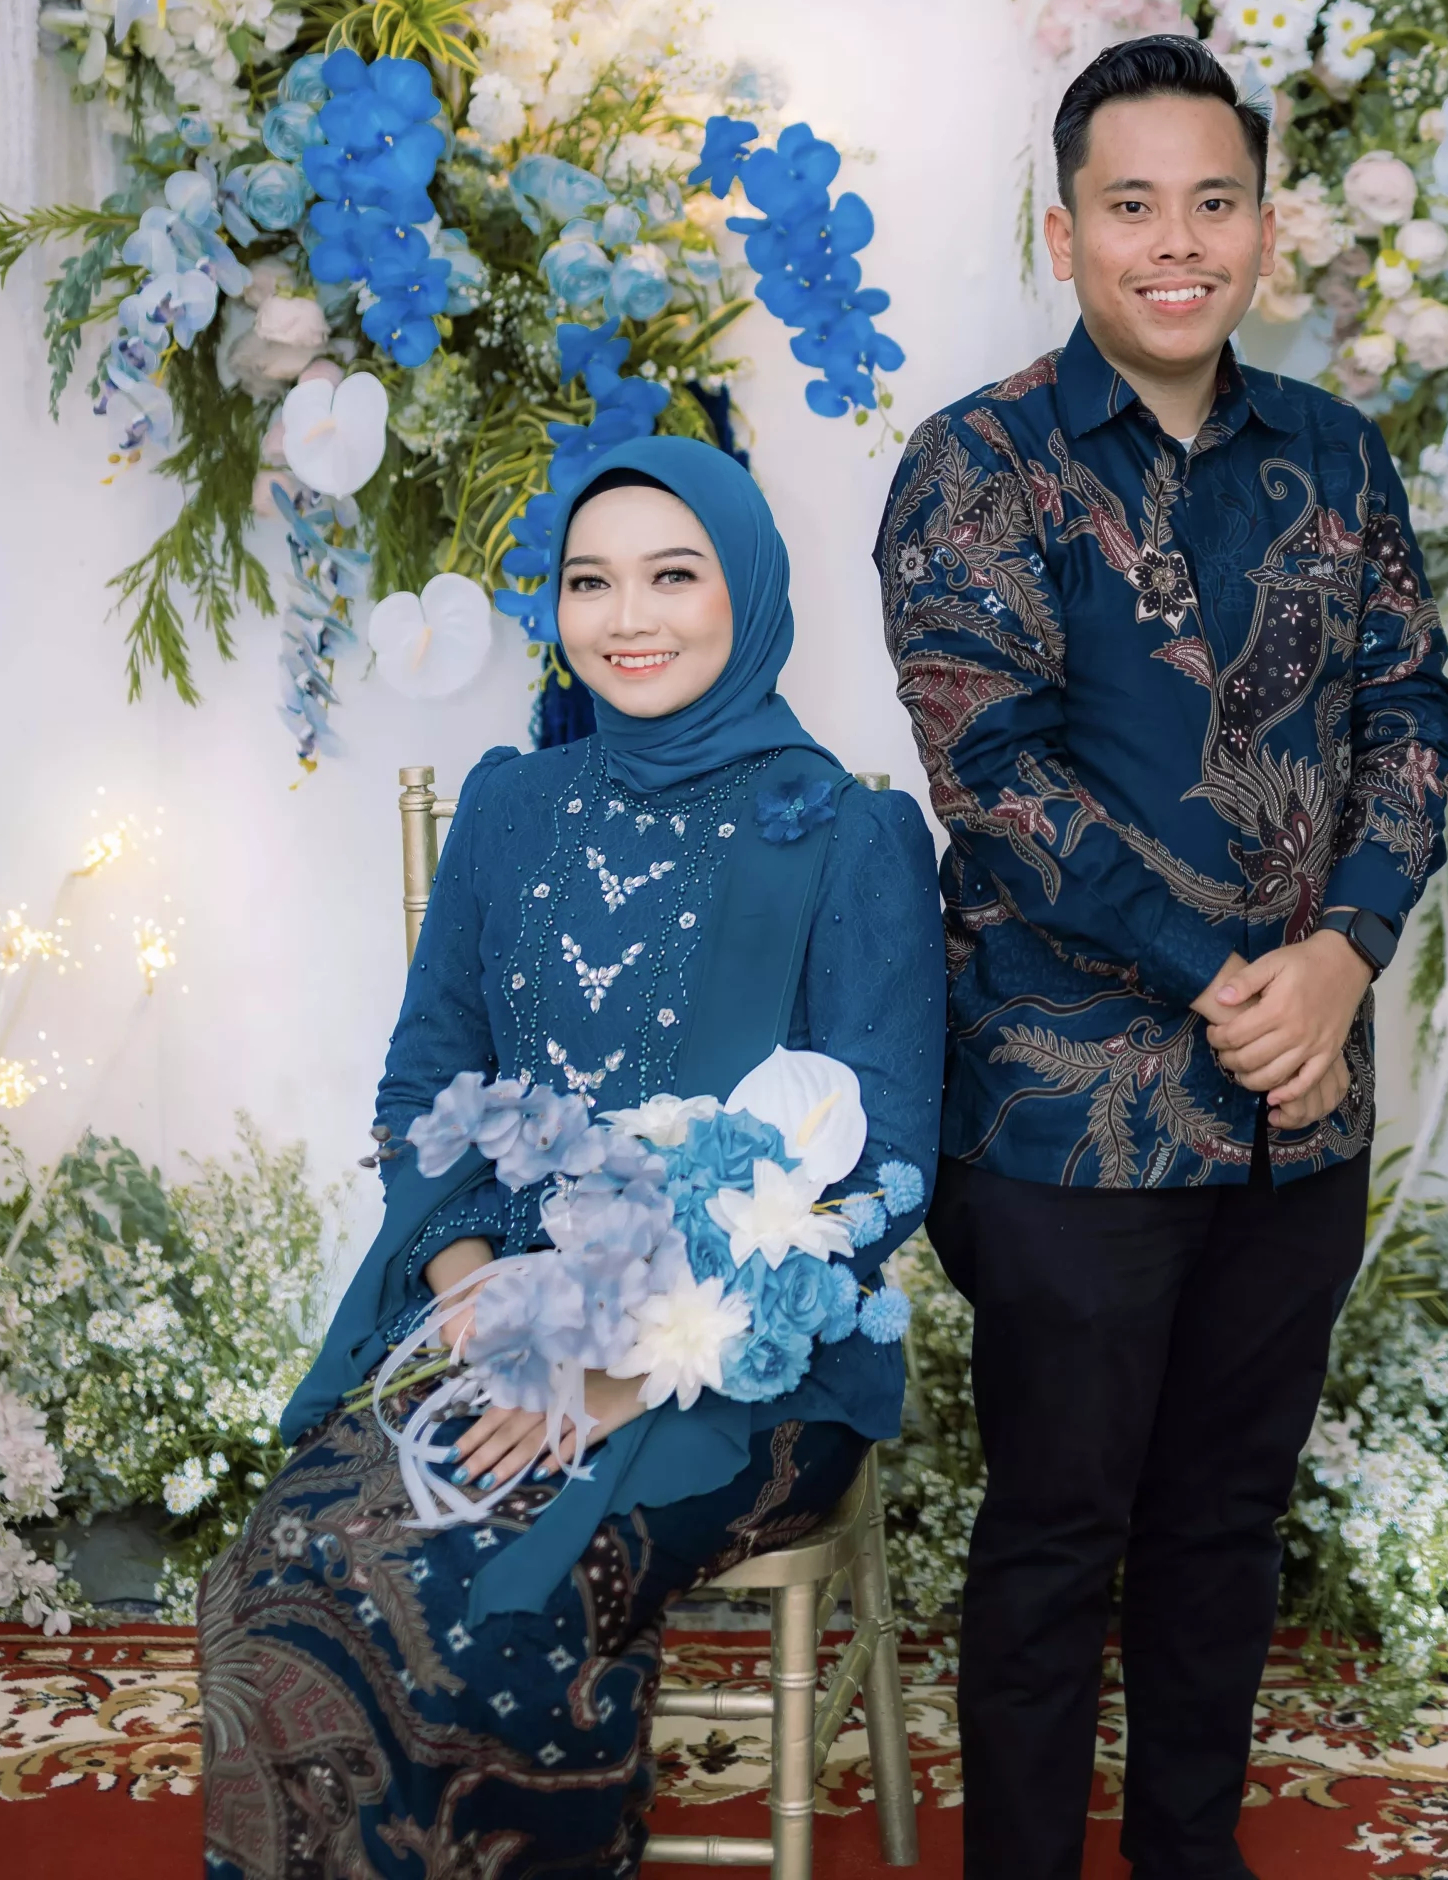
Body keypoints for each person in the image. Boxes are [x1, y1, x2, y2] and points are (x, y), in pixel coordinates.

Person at [875, 33, 1448, 1880]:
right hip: (1072, 1122)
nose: (1178, 242)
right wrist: (1227, 978)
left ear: (1266, 228)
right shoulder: (978, 466)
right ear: (1066, 237)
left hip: (1300, 1110)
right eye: (1133, 206)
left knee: (1227, 1526)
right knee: (1061, 1533)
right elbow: (998, 780)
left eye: (1216, 202)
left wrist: (1347, 955)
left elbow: (1412, 718)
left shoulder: (1337, 458)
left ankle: (1190, 1857)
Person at [201, 438, 945, 1879]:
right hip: (506, 1311)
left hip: (743, 1358)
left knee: (485, 1596)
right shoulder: (511, 810)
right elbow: (430, 1082)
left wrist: (624, 1370)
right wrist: (480, 1289)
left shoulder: (847, 837)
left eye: (674, 575)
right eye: (590, 583)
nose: (628, 618)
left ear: (750, 592)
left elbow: (886, 1172)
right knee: (288, 1564)